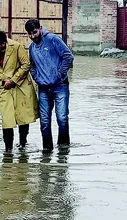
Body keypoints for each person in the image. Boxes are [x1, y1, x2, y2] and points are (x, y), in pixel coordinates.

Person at [0, 30, 39, 155]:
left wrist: (13, 80)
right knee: (7, 119)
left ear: (4, 43)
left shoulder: (16, 47)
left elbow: (26, 65)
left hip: (21, 86)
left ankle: (23, 144)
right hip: (3, 89)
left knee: (23, 117)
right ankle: (8, 150)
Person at [25, 19, 74, 153]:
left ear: (40, 29)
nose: (32, 36)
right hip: (43, 89)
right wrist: (37, 78)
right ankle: (47, 151)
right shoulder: (32, 47)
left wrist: (60, 74)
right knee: (45, 121)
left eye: (34, 32)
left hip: (60, 86)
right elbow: (32, 66)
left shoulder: (53, 39)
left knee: (62, 117)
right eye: (29, 34)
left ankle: (63, 150)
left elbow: (68, 56)